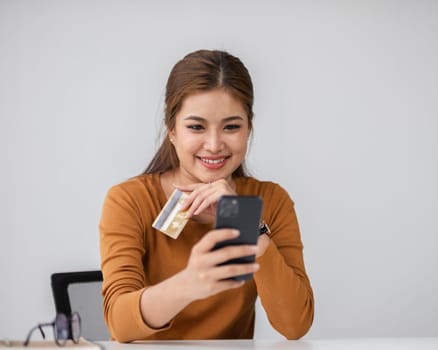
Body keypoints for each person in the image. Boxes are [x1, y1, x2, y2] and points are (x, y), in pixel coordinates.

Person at [99, 49, 314, 342]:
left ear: (248, 128)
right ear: (172, 130)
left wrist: (247, 221)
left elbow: (295, 326)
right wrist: (190, 283)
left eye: (231, 126)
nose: (214, 145)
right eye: (196, 127)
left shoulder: (270, 200)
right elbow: (119, 324)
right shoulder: (130, 200)